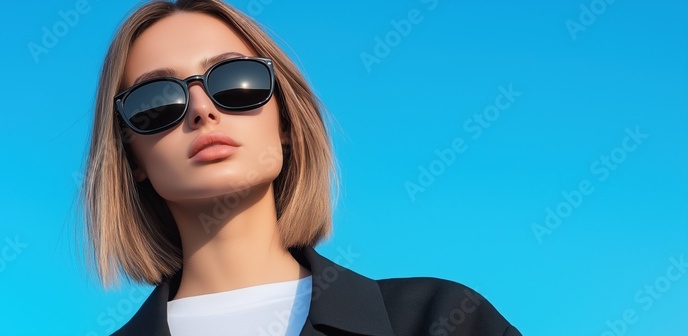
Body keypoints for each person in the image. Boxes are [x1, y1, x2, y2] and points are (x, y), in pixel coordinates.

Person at [79, 1, 522, 335]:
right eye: (156, 101)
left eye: (235, 82)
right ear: (132, 155)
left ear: (286, 123)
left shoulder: (439, 319)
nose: (201, 110)